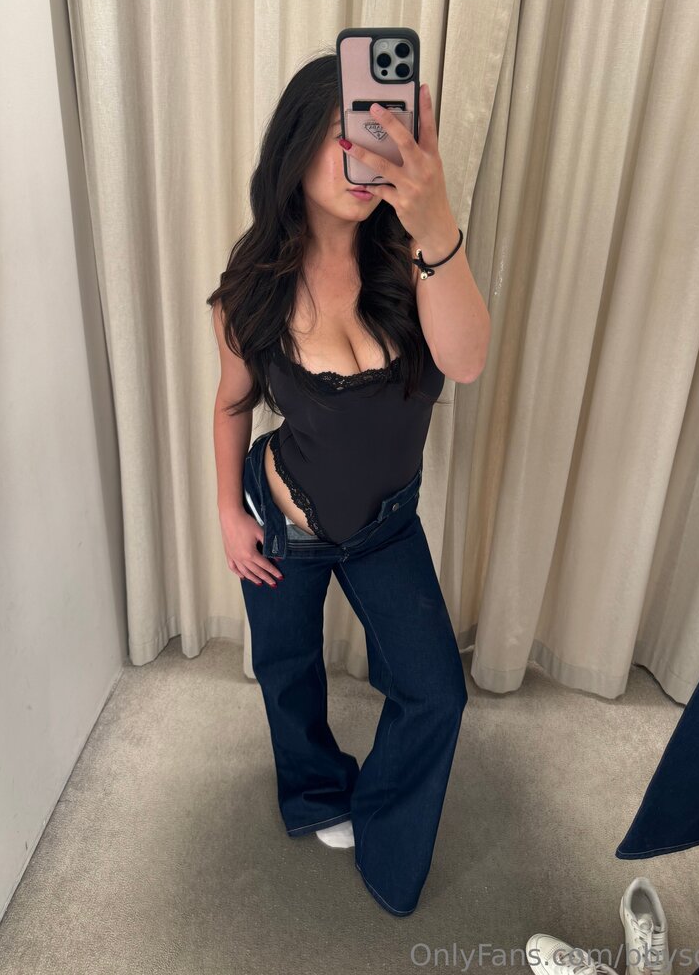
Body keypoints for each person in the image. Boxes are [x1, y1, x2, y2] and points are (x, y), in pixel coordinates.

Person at [206, 52, 490, 916]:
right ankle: (317, 791)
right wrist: (228, 513)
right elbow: (232, 402)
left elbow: (466, 362)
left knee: (435, 692)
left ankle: (387, 834)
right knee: (287, 671)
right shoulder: (252, 288)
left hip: (385, 528)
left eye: (379, 133)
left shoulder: (416, 262)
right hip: (283, 518)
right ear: (295, 150)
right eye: (344, 135)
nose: (365, 154)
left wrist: (436, 223)